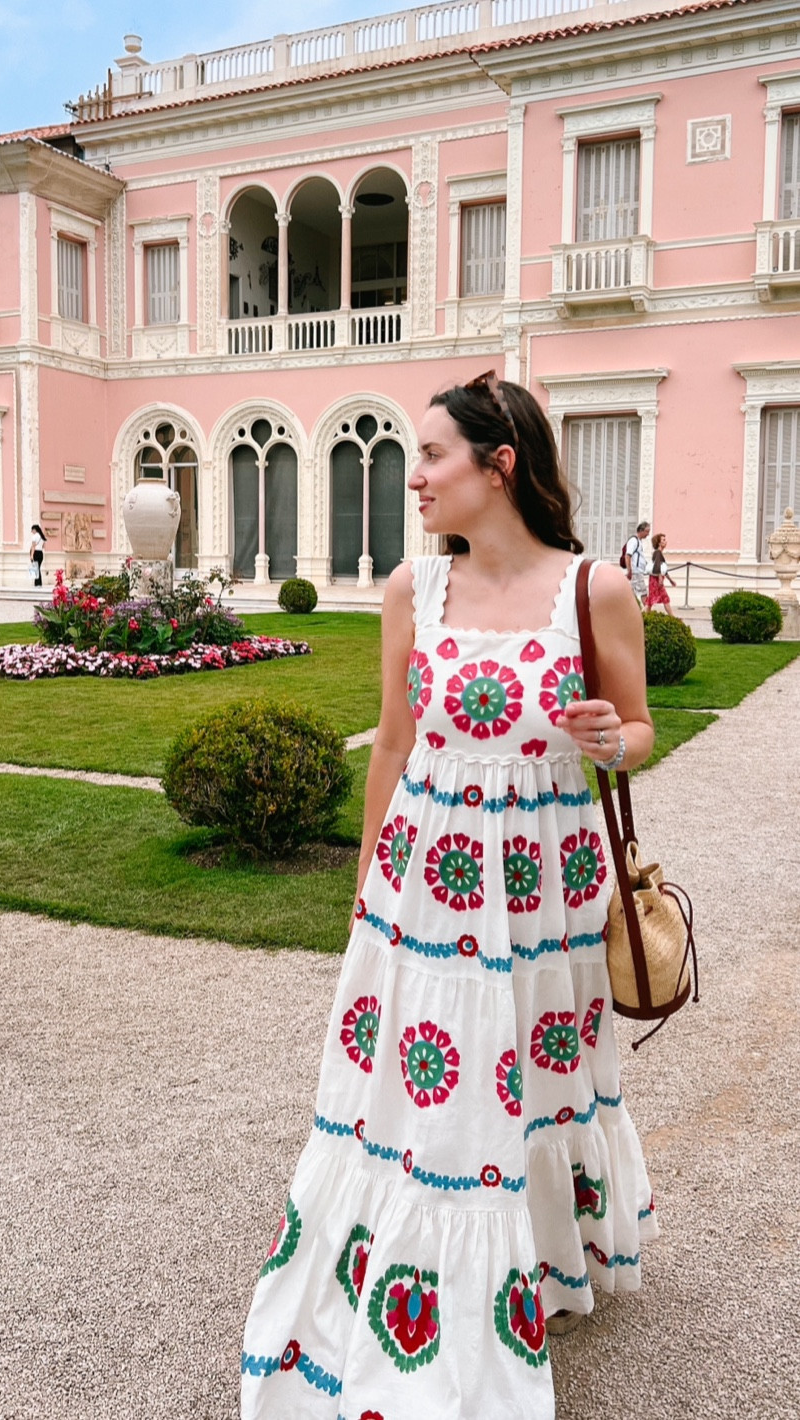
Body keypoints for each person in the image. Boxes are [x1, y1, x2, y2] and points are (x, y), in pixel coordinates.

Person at [240, 373, 657, 1419]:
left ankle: (546, 1254)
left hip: (545, 881)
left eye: (431, 456)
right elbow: (391, 742)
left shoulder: (591, 589)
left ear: (498, 464)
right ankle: (429, 1271)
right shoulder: (410, 591)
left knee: (532, 1056)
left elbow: (638, 727)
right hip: (426, 880)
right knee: (433, 1085)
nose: (413, 476)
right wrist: (364, 885)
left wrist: (616, 738)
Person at [645, 532, 676, 614]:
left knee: (660, 598)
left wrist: (670, 580)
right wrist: (660, 578)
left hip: (656, 579)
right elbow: (657, 565)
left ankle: (643, 617)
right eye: (663, 540)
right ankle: (643, 617)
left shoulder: (658, 552)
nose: (666, 541)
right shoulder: (658, 552)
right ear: (659, 543)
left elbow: (663, 570)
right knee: (652, 600)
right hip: (656, 580)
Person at [624, 521, 650, 602]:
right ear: (641, 531)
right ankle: (646, 612)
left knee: (632, 593)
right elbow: (628, 555)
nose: (648, 534)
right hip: (636, 572)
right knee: (643, 593)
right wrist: (630, 570)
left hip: (637, 572)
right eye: (647, 531)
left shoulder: (638, 541)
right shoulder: (634, 541)